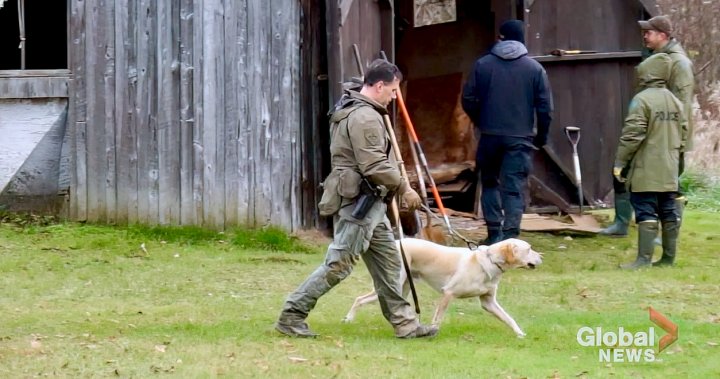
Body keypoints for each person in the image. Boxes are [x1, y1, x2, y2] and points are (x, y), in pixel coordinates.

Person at [276, 59, 437, 339]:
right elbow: (374, 165)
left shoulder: (359, 108)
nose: (395, 96)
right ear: (378, 86)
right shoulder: (364, 117)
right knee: (339, 265)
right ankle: (292, 314)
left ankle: (405, 324)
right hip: (359, 204)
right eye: (393, 89)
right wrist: (404, 188)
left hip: (372, 204)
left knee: (389, 263)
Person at [600, 15, 694, 237]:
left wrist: (677, 140)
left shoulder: (679, 63)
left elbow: (683, 105)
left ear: (662, 35)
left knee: (670, 187)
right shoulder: (657, 58)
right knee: (623, 172)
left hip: (666, 136)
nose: (644, 36)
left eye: (648, 32)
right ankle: (622, 223)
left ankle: (667, 235)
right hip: (648, 129)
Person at [461, 20, 553, 244]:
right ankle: (511, 237)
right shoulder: (534, 69)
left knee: (490, 183)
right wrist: (541, 136)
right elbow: (545, 108)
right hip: (520, 137)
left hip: (490, 136)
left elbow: (468, 99)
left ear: (501, 37)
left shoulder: (483, 65)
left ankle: (494, 234)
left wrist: (481, 120)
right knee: (513, 187)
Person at [614, 53, 688, 269]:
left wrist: (620, 161)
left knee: (645, 209)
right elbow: (684, 134)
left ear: (647, 73)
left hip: (646, 167)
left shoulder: (642, 100)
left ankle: (643, 260)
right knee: (668, 209)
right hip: (670, 166)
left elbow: (632, 135)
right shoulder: (675, 101)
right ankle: (667, 259)